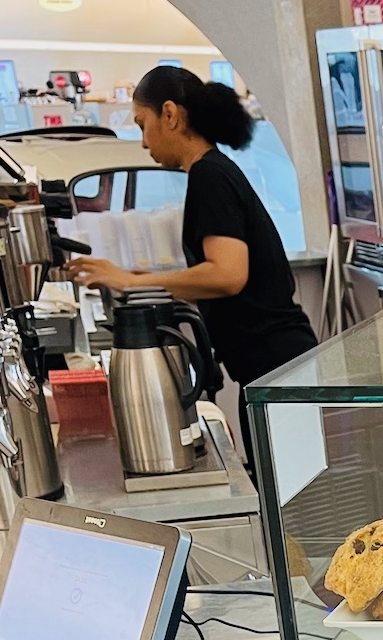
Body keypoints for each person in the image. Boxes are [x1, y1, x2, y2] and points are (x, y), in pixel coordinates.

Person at [73, 66, 316, 467]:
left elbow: (227, 275)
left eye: (142, 124)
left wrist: (135, 283)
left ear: (169, 114)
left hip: (277, 372)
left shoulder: (209, 176)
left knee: (290, 504)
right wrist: (130, 278)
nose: (143, 141)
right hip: (271, 372)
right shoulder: (213, 171)